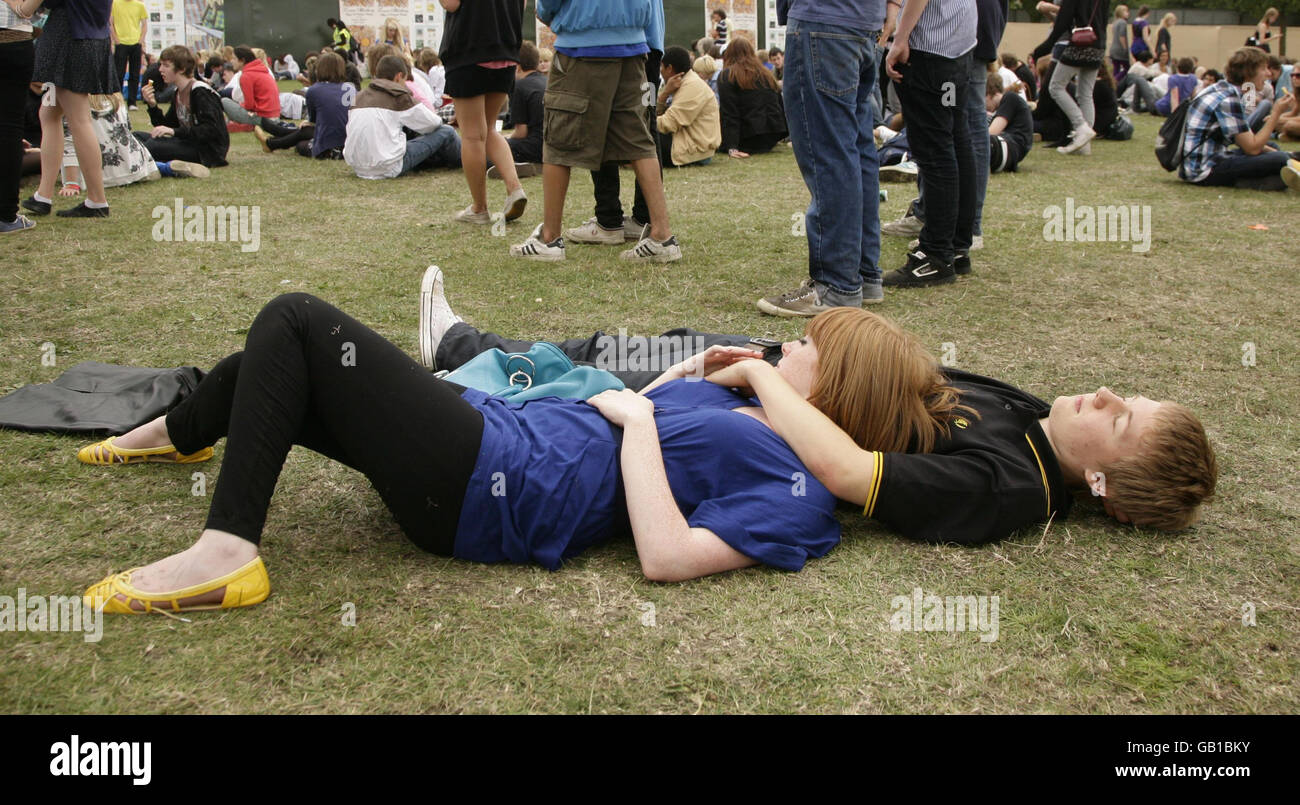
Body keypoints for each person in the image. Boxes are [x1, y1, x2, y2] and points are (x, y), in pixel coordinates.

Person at [75, 283, 964, 613]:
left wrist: (652, 420)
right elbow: (623, 413)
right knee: (280, 361)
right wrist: (687, 376)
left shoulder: (803, 496)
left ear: (837, 388)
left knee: (299, 320)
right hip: (498, 440)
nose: (789, 347)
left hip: (493, 485)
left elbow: (664, 552)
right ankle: (181, 436)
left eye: (808, 347)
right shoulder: (757, 414)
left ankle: (227, 551)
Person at [418, 285, 1219, 546]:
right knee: (639, 350)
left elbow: (848, 472)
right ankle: (470, 354)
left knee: (629, 373)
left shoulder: (1010, 487)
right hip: (825, 379)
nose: (1109, 395)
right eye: (1127, 394)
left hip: (802, 412)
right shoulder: (1037, 420)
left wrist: (774, 384)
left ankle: (459, 352)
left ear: (1106, 482)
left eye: (1121, 419)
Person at [510, 0, 680, 264]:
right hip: (633, 44)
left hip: (583, 43)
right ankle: (662, 235)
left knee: (558, 140)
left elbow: (548, 6)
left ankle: (550, 237)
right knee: (638, 138)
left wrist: (546, 12)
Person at [756, 0, 886, 315]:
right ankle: (863, 275)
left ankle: (836, 286)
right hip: (865, 24)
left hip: (823, 21)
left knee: (830, 152)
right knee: (856, 149)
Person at [882, 0, 978, 288]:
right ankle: (957, 247)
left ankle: (935, 254)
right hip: (958, 48)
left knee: (936, 153)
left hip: (930, 51)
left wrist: (900, 38)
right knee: (957, 143)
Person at [560, 3, 665, 250]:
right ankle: (642, 216)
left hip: (616, 42)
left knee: (601, 124)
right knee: (646, 126)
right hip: (648, 44)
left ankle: (609, 220)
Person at [17, 0, 116, 219]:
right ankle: (43, 195)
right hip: (90, 34)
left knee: (79, 120)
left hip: (70, 38)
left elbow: (38, 5)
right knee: (49, 113)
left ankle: (97, 200)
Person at [437, 0, 526, 227]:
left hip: (469, 50)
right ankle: (514, 188)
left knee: (472, 135)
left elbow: (451, 4)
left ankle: (479, 208)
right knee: (488, 128)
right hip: (506, 52)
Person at [1179, 46, 1300, 192]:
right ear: (1248, 72)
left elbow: (1243, 140)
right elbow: (1252, 148)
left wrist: (1282, 154)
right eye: (1264, 69)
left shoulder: (1223, 89)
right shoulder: (1228, 98)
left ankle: (1270, 179)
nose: (1268, 74)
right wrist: (1275, 114)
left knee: (1273, 149)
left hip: (1201, 162)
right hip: (1204, 170)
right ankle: (1256, 181)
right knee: (1279, 159)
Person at [343, 54, 460, 179]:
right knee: (446, 132)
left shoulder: (359, 97)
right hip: (388, 166)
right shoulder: (398, 96)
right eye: (404, 80)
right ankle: (474, 160)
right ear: (398, 77)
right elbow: (434, 124)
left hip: (359, 167)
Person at [134, 45, 229, 175]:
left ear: (182, 68)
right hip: (189, 142)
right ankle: (162, 165)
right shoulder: (177, 92)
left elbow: (211, 130)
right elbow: (167, 126)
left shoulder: (200, 92)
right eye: (160, 65)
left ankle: (156, 167)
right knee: (135, 138)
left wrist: (174, 131)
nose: (160, 70)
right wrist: (152, 106)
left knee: (152, 145)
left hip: (207, 150)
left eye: (166, 66)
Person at [1032, 0, 1107, 156]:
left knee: (1055, 86)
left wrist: (1044, 47)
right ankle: (1085, 145)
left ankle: (1081, 127)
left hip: (1079, 45)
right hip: (1098, 44)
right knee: (1085, 94)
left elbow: (1063, 20)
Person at [256, 51, 350, 159]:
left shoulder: (315, 90)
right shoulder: (350, 88)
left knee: (301, 143)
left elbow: (313, 121)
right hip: (347, 138)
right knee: (308, 132)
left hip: (332, 147)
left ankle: (272, 141)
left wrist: (308, 123)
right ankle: (275, 134)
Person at [61, 92, 161, 189]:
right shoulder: (117, 97)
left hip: (96, 176)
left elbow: (69, 143)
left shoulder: (72, 101)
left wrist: (71, 183)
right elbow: (127, 128)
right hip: (133, 167)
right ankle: (164, 167)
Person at [716, 36, 787, 158]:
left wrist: (731, 146)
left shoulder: (728, 75)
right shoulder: (766, 74)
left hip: (747, 136)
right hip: (772, 134)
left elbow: (729, 112)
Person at [656, 44, 721, 167]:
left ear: (669, 68)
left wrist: (640, 124)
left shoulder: (692, 86)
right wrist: (664, 95)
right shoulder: (681, 82)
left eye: (661, 66)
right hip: (687, 142)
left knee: (642, 140)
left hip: (694, 150)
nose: (660, 70)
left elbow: (669, 123)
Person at [220, 45, 298, 138]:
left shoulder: (246, 76)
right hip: (275, 116)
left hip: (263, 118)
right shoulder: (262, 70)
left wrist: (240, 106)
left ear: (242, 60)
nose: (231, 61)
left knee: (224, 101)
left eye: (234, 58)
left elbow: (249, 105)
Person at [495, 41, 545, 170]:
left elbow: (521, 132)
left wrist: (506, 138)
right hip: (555, 147)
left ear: (516, 67)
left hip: (536, 147)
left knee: (493, 147)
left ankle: (518, 165)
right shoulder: (546, 81)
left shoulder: (519, 87)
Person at [986, 73, 1032, 173]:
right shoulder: (1004, 105)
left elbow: (992, 132)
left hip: (1004, 148)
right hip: (1006, 153)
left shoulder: (1009, 98)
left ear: (990, 94)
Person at [110, 0, 147, 109]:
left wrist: (141, 41)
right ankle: (118, 101)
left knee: (135, 74)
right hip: (121, 43)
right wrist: (116, 40)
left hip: (136, 43)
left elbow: (144, 25)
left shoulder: (140, 5)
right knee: (119, 74)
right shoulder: (115, 4)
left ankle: (132, 102)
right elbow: (110, 23)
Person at [1108, 4, 1129, 82]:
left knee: (1116, 68)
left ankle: (1113, 83)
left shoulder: (1115, 22)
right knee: (1127, 68)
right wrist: (1125, 48)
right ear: (1121, 12)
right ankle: (1114, 81)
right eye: (1126, 11)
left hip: (1113, 49)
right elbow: (1121, 36)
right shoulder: (1123, 23)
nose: (1128, 13)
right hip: (1120, 50)